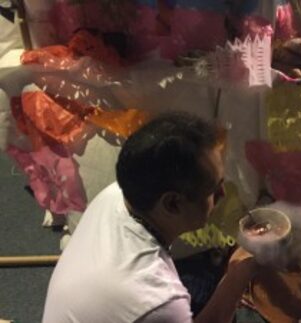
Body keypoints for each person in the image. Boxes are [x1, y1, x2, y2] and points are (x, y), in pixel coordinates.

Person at [42, 112, 257, 323]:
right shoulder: (159, 301)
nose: (223, 196)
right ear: (172, 203)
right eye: (214, 189)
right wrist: (238, 276)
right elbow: (162, 306)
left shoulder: (114, 194)